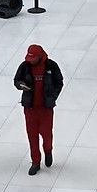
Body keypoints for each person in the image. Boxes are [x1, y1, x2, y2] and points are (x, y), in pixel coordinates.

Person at [13, 43, 64, 174]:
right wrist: (21, 85)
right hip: (30, 109)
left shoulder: (51, 66)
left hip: (45, 109)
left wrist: (52, 97)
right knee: (32, 135)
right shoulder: (25, 67)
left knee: (46, 134)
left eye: (33, 59)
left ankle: (48, 150)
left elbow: (59, 82)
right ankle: (35, 161)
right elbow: (16, 80)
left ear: (40, 56)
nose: (31, 61)